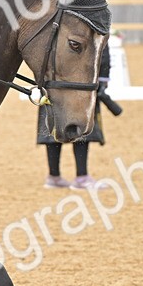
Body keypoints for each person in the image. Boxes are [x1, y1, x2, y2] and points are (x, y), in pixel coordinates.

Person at [38, 41, 113, 189]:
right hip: (81, 82)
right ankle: (81, 176)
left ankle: (54, 176)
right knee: (81, 126)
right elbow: (101, 49)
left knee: (53, 125)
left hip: (53, 80)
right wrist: (102, 79)